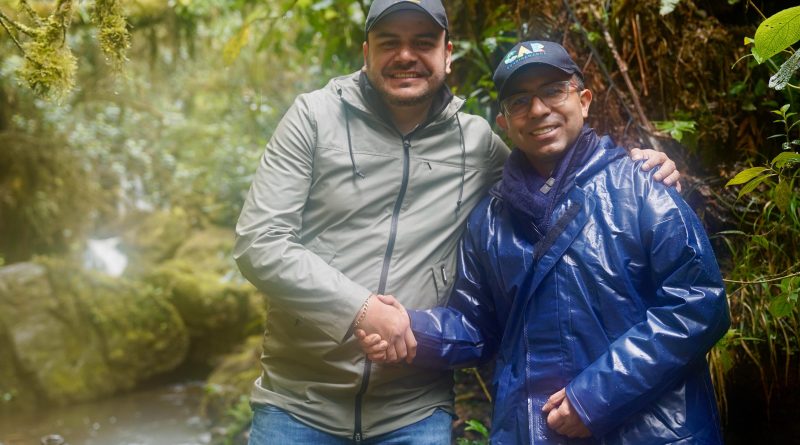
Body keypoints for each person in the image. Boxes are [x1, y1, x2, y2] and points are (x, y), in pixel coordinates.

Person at [234, 0, 680, 441]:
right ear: (366, 52)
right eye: (390, 42)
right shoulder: (313, 118)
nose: (406, 56)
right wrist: (360, 310)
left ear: (448, 55)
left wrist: (638, 169)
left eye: (423, 43)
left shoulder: (478, 143)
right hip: (298, 401)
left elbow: (551, 181)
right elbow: (260, 241)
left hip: (415, 406)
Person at [358, 40, 729, 444]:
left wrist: (594, 398)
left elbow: (697, 304)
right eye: (519, 101)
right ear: (504, 122)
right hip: (533, 431)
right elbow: (477, 325)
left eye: (553, 91)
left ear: (583, 100)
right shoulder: (490, 220)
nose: (537, 110)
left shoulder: (642, 186)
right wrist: (410, 329)